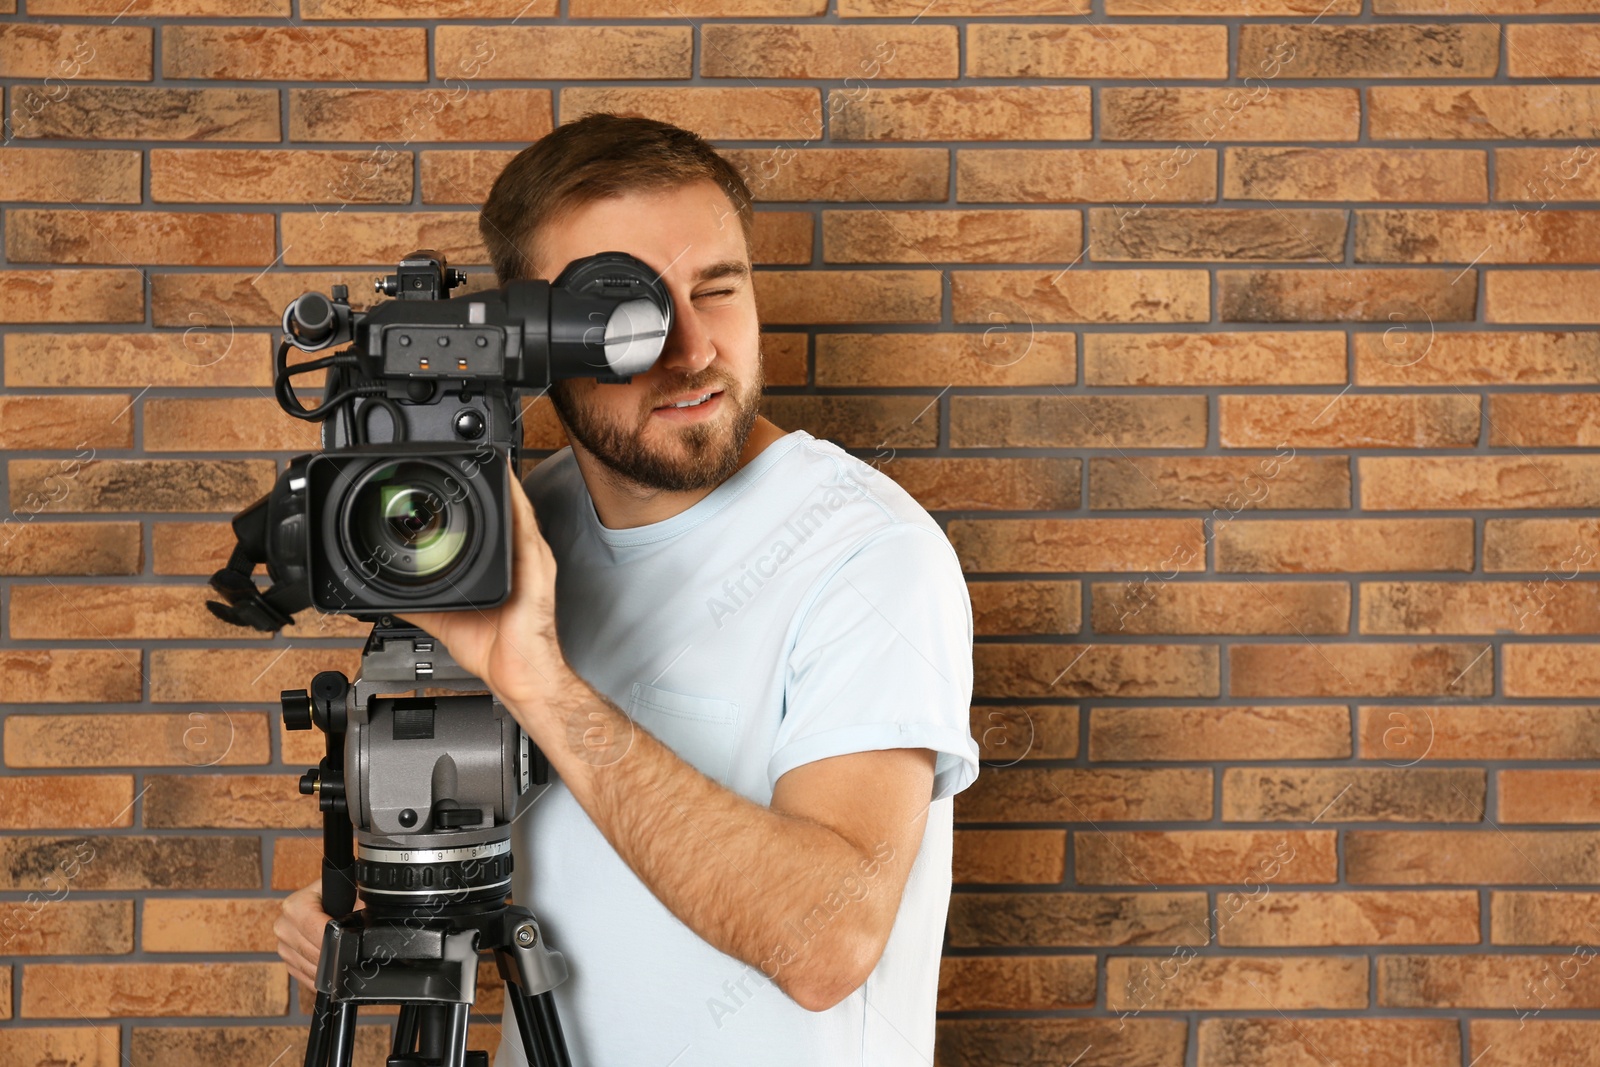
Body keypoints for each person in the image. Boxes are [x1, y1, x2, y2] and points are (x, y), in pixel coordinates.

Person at [274, 112, 980, 1067]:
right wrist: (383, 918)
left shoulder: (866, 552)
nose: (689, 351)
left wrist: (542, 684)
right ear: (532, 341)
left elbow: (827, 943)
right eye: (623, 321)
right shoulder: (500, 527)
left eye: (717, 291)